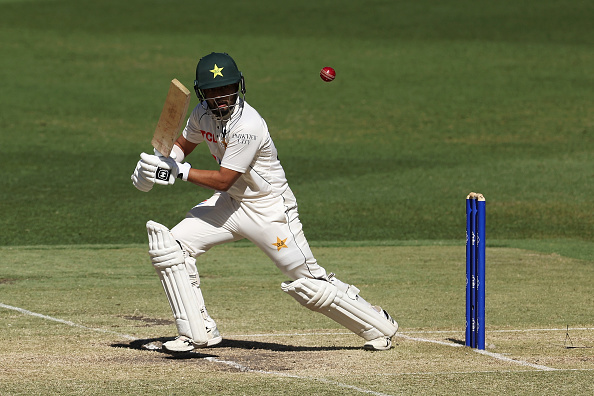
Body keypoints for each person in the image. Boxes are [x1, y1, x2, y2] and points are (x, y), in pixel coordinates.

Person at [131, 52, 398, 352]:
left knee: (308, 283)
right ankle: (198, 330)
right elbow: (184, 144)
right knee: (171, 246)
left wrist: (176, 171)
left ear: (239, 86)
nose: (220, 98)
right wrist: (158, 163)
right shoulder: (201, 113)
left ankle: (378, 325)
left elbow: (223, 179)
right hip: (231, 204)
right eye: (212, 92)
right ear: (201, 93)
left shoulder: (248, 125)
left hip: (269, 211)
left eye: (226, 89)